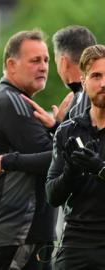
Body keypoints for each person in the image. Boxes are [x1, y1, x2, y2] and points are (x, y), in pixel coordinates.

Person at [0, 29, 55, 270]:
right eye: (35, 60)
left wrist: (56, 127)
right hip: (16, 233)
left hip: (14, 233)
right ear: (11, 64)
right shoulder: (13, 102)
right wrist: (63, 132)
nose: (43, 67)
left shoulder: (9, 98)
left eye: (46, 60)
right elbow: (57, 159)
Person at [46, 44, 105, 269]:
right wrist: (70, 171)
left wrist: (99, 167)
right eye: (96, 76)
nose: (103, 84)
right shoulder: (68, 131)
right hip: (75, 245)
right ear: (83, 81)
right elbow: (52, 195)